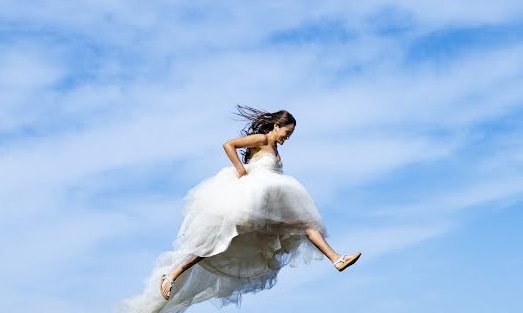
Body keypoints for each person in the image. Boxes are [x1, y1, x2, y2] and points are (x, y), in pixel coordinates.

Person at [115, 106, 361, 312]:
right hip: (250, 197)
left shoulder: (276, 150)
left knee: (307, 224)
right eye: (286, 132)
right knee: (220, 239)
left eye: (291, 134)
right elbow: (228, 144)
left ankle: (336, 259)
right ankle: (173, 273)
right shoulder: (262, 139)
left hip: (272, 202)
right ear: (276, 126)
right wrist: (241, 170)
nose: (288, 137)